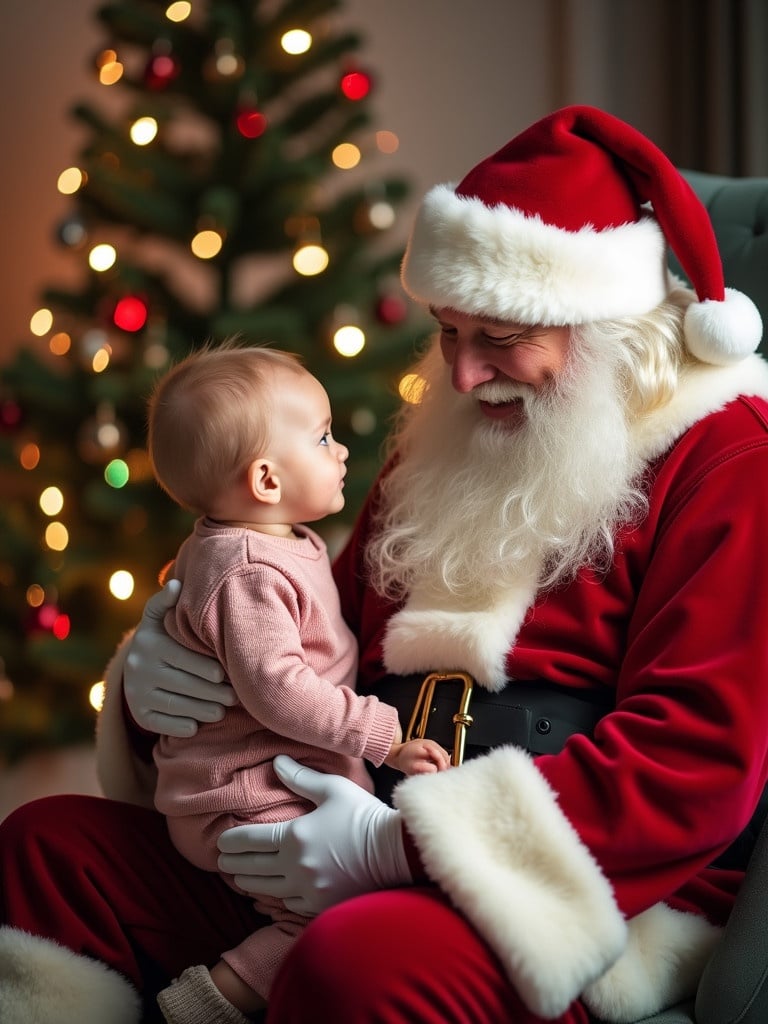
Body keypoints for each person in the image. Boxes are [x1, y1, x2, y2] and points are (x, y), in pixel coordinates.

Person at [2, 103, 768, 1024]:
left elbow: (694, 761)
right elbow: (312, 637)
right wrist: (166, 669)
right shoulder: (453, 437)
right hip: (345, 806)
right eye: (449, 331)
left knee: (353, 966)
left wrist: (399, 846)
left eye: (500, 336)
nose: (463, 374)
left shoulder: (727, 459)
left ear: (603, 322)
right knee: (48, 851)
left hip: (570, 886)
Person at [146, 344, 449, 1023]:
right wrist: (386, 738)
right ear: (265, 480)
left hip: (263, 773)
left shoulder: (273, 539)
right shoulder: (248, 569)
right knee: (332, 915)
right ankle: (203, 1006)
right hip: (242, 792)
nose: (341, 451)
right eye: (322, 437)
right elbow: (279, 689)